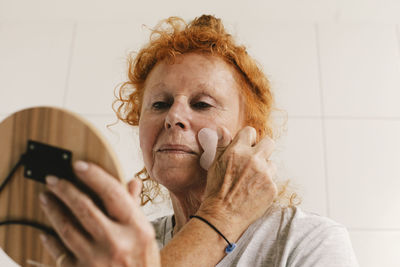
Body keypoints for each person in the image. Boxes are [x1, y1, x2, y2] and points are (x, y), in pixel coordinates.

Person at [38, 15, 359, 266]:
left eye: (202, 104)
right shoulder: (122, 248)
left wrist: (221, 214)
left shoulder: (307, 240)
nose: (172, 117)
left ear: (249, 136)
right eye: (159, 104)